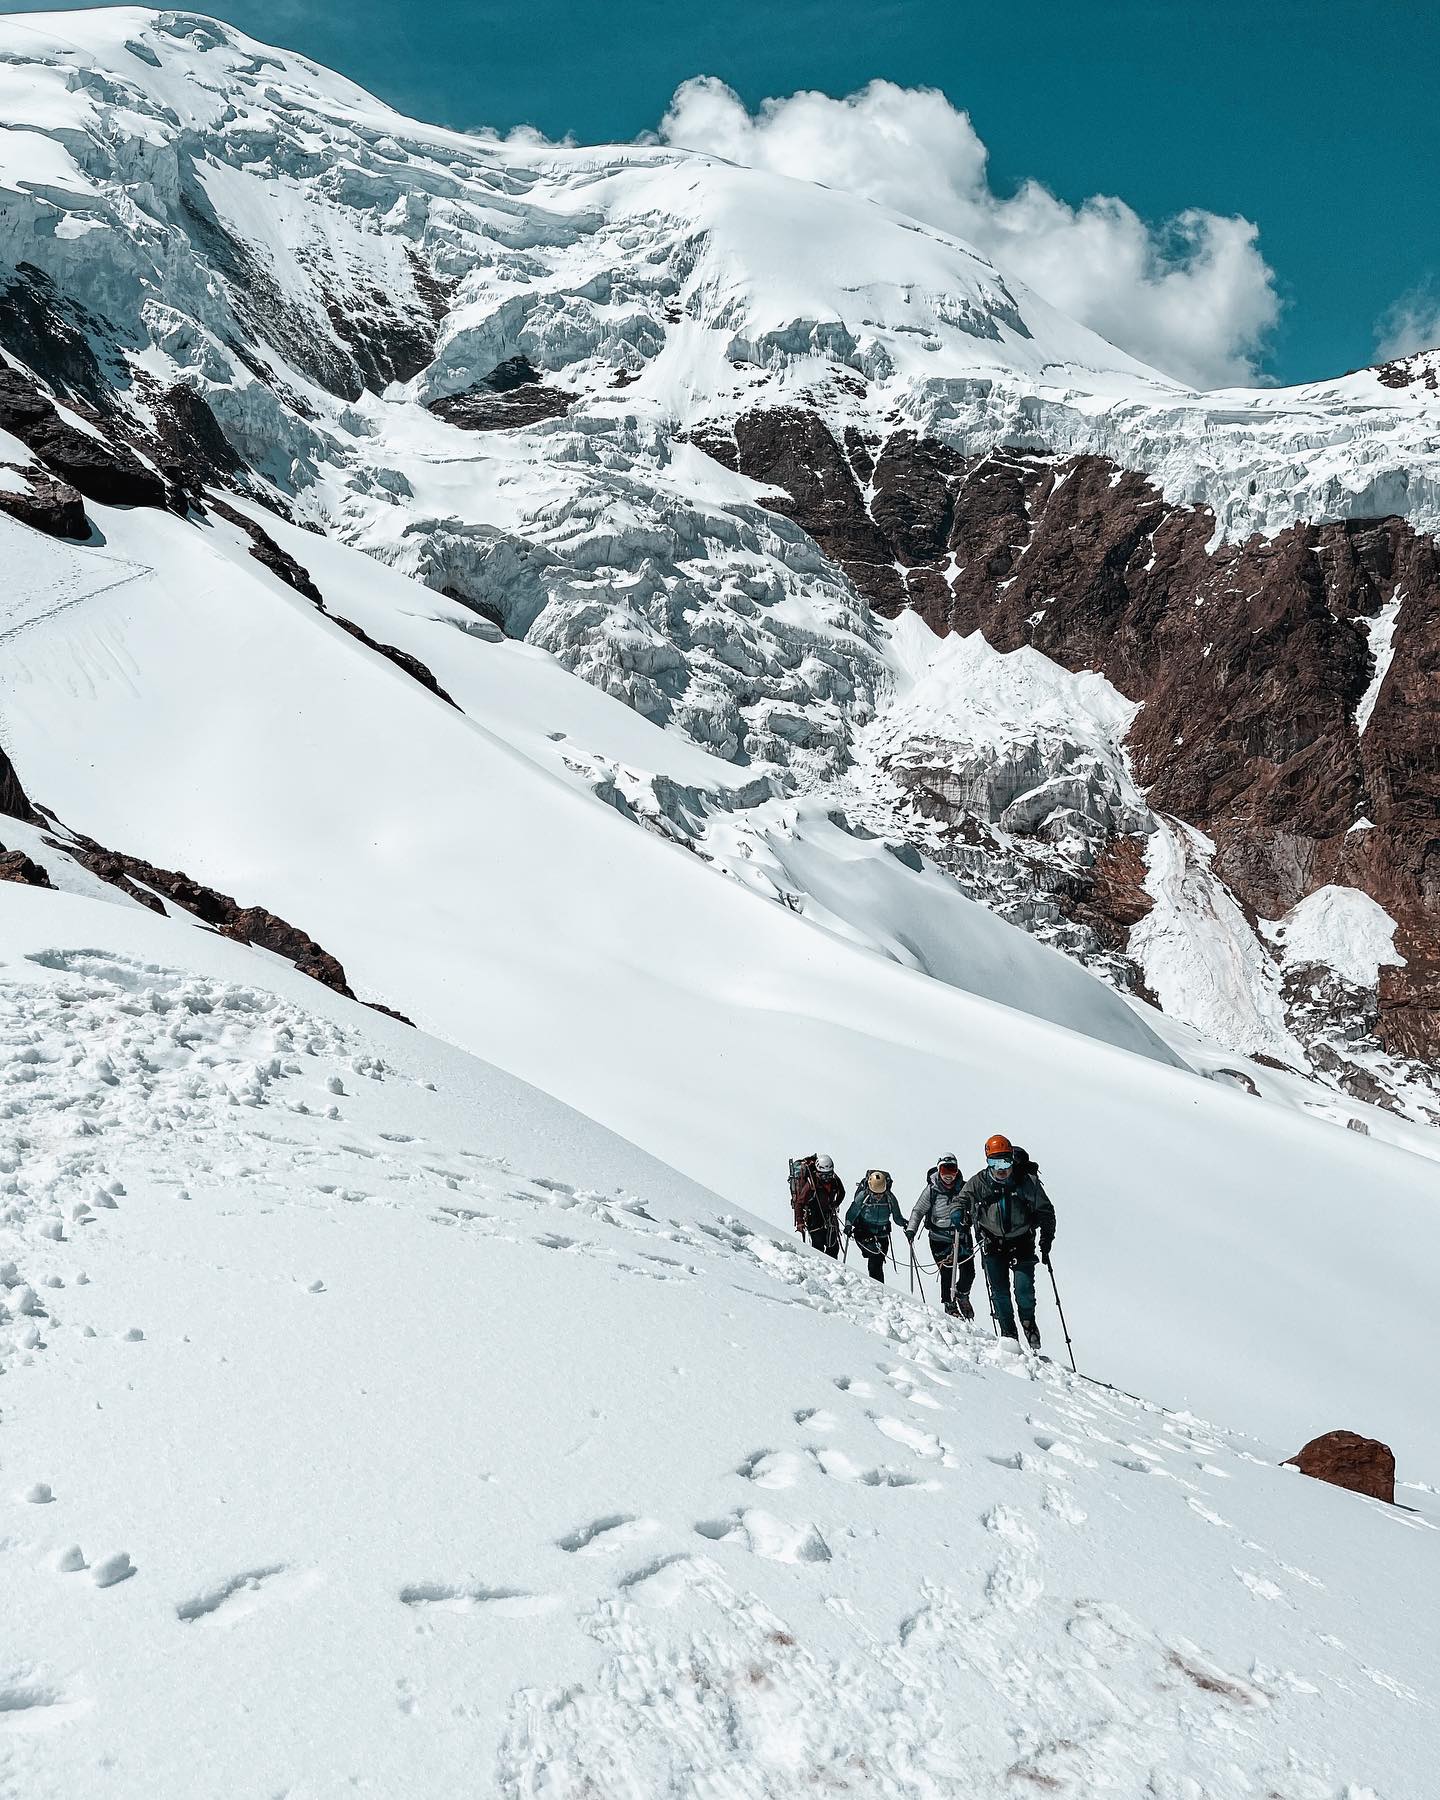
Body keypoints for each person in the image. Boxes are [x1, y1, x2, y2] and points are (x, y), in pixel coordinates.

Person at [954, 1134, 1055, 1350]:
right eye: (995, 1162)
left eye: (1005, 1162)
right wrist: (959, 1213)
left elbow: (1046, 1212)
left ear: (1012, 1159)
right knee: (999, 1292)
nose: (1001, 1168)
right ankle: (1009, 1335)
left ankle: (1028, 1321)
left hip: (1022, 1242)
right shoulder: (979, 1182)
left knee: (1023, 1289)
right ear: (987, 1162)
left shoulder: (1026, 1182)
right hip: (992, 1243)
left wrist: (1046, 1242)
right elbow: (961, 1200)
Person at [907, 1152, 974, 1318]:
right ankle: (949, 1303)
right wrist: (911, 1229)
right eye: (945, 1170)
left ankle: (962, 1294)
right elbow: (918, 1211)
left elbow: (975, 1209)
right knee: (947, 1271)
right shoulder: (932, 1190)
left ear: (957, 1171)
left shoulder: (965, 1189)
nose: (948, 1175)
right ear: (939, 1170)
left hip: (963, 1236)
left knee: (969, 1272)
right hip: (940, 1238)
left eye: (952, 1170)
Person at [845, 1169, 906, 1283]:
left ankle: (878, 1288)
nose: (878, 1196)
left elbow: (897, 1217)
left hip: (882, 1234)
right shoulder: (863, 1196)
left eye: (880, 1193)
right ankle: (877, 1287)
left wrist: (905, 1224)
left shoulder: (889, 1198)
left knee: (877, 1262)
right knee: (875, 1256)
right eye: (875, 1193)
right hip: (863, 1232)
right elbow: (852, 1213)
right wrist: (848, 1225)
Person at [804, 1154, 846, 1256]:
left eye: (829, 1175)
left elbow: (842, 1192)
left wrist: (835, 1204)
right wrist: (800, 1221)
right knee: (818, 1246)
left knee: (833, 1246)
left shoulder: (835, 1180)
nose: (826, 1178)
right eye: (823, 1175)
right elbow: (800, 1202)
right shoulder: (812, 1183)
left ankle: (832, 1269)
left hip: (829, 1216)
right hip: (814, 1218)